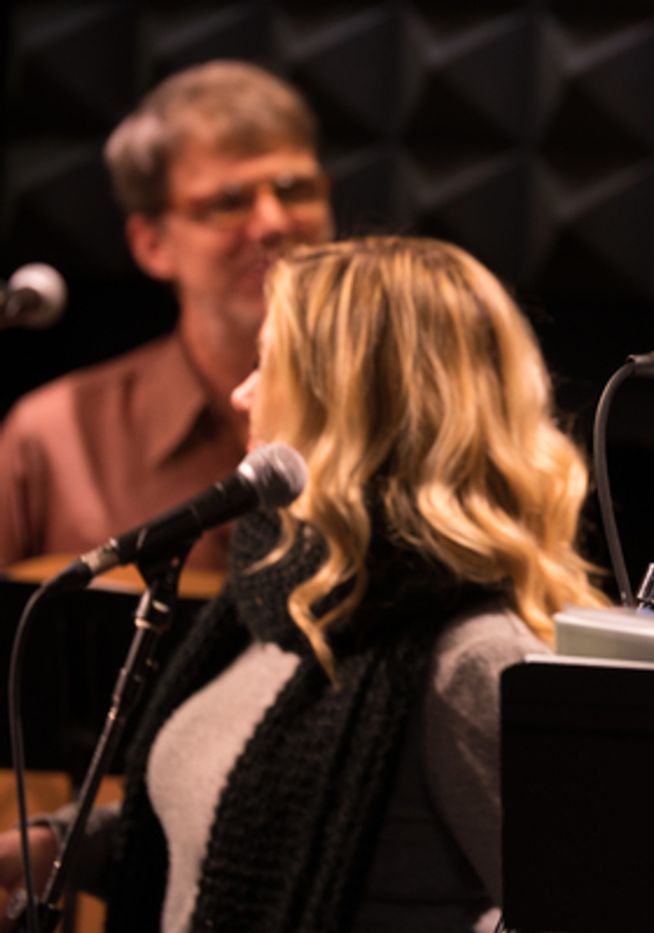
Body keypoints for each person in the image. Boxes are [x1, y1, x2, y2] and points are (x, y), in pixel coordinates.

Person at [0, 236, 607, 931]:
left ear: (349, 400)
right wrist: (54, 841)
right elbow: (211, 821)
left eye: (266, 363)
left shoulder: (471, 660)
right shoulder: (279, 608)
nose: (240, 392)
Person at [0, 60, 334, 572]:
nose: (272, 222)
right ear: (151, 244)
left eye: (294, 189)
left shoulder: (409, 418)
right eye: (228, 202)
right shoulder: (51, 439)